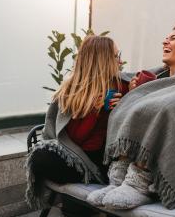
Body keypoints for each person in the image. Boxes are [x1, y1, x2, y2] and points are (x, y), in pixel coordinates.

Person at [86, 23, 175, 210]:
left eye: (174, 38)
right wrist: (133, 94)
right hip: (156, 169)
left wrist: (138, 100)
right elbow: (128, 91)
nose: (165, 41)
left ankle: (138, 184)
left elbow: (166, 110)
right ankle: (118, 182)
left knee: (153, 109)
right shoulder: (158, 79)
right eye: (166, 38)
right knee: (127, 106)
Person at [26, 35, 126, 216]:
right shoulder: (73, 89)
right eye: (115, 56)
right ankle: (76, 206)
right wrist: (95, 111)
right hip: (79, 155)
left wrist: (130, 95)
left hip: (107, 160)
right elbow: (74, 139)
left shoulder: (121, 84)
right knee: (41, 156)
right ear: (101, 60)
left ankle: (75, 206)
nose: (120, 61)